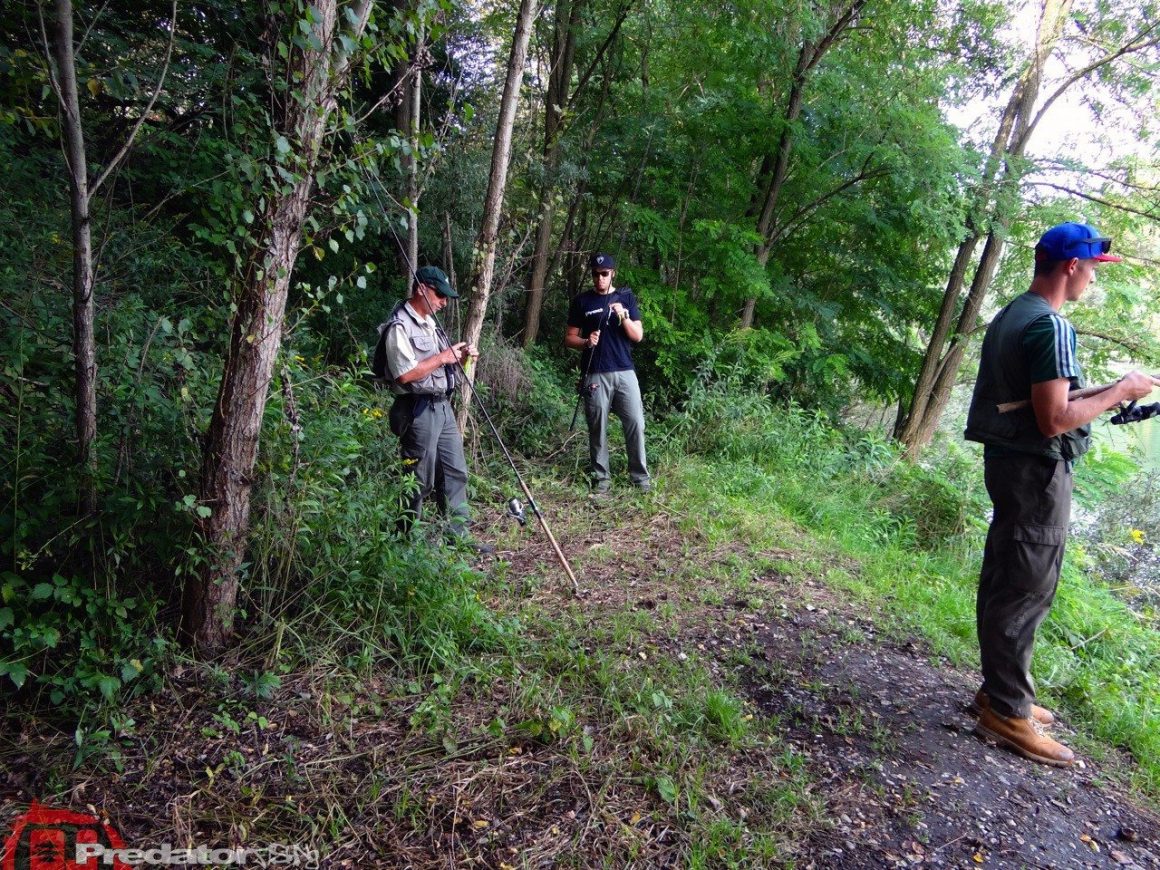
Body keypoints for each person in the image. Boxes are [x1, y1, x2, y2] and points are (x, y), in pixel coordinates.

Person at [964, 222, 1155, 767]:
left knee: (1006, 574)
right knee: (1027, 585)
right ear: (1072, 266)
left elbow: (1037, 400)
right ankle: (1006, 711)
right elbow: (1053, 420)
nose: (1094, 278)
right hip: (1036, 472)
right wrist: (1123, 390)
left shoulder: (1014, 313)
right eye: (1092, 268)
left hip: (1009, 465)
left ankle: (999, 692)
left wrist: (1114, 390)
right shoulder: (1050, 326)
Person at [376, 265, 493, 553]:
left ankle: (458, 539)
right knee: (418, 479)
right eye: (440, 295)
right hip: (417, 410)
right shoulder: (399, 326)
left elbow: (442, 366)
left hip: (442, 407)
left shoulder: (430, 323)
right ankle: (404, 544)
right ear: (421, 289)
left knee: (455, 472)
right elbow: (405, 374)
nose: (444, 302)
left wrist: (462, 358)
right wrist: (443, 357)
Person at [565, 253, 652, 495]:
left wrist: (623, 315)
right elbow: (569, 338)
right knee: (597, 426)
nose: (600, 278)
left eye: (604, 274)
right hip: (595, 372)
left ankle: (640, 479)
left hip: (624, 370)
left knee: (636, 422)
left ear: (613, 273)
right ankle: (602, 480)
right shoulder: (582, 301)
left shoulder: (625, 297)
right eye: (595, 274)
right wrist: (586, 341)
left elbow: (637, 336)